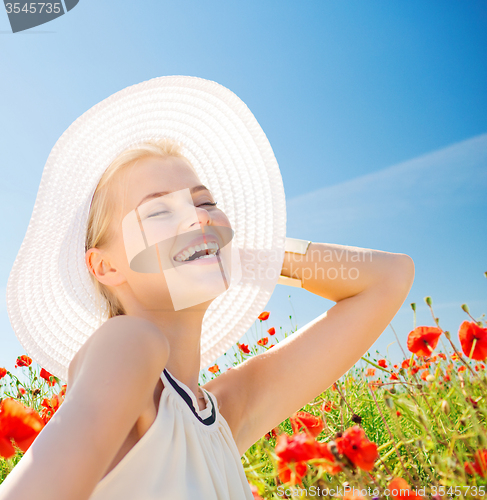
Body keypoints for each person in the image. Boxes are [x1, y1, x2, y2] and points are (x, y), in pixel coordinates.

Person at [1, 76, 414, 500]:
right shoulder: (127, 343)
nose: (197, 218)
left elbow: (388, 277)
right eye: (158, 211)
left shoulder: (222, 415)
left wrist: (242, 253)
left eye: (204, 203)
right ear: (105, 266)